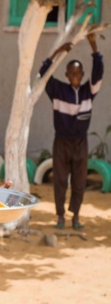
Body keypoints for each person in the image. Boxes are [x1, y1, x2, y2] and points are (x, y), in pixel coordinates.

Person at [38, 33, 103, 230]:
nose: (75, 77)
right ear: (67, 75)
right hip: (62, 142)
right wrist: (58, 52)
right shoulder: (58, 90)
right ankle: (60, 216)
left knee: (79, 181)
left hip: (80, 143)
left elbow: (99, 72)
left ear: (82, 76)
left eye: (79, 74)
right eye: (72, 74)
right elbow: (44, 72)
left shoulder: (88, 92)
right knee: (59, 180)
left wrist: (94, 47)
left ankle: (75, 216)